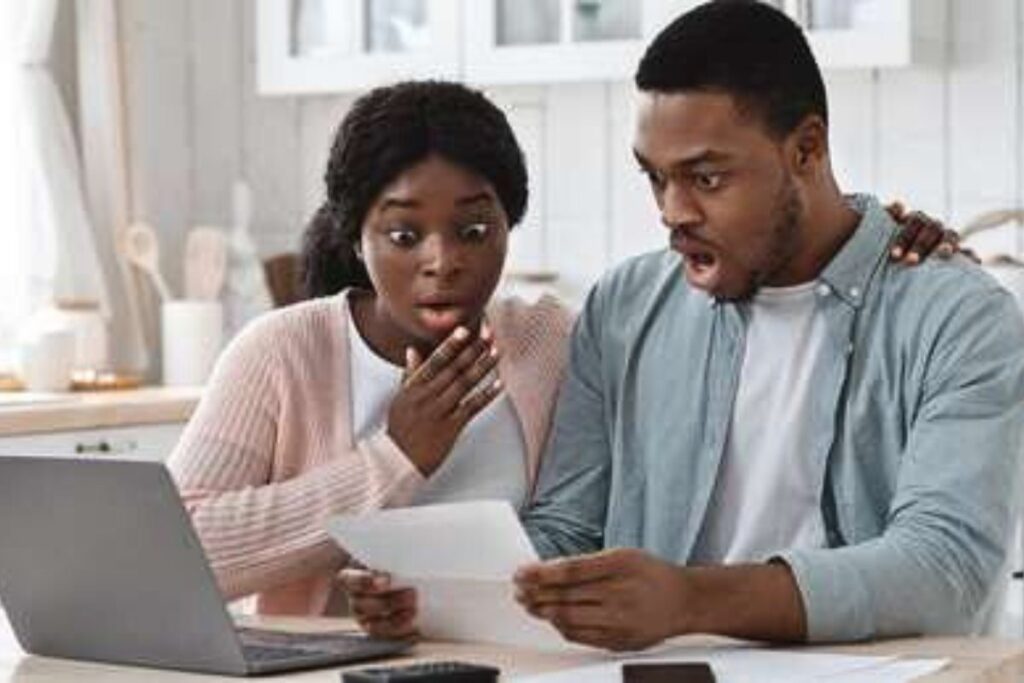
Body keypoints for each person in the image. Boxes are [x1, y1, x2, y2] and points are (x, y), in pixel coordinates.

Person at [345, 2, 1024, 649]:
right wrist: (430, 593)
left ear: (807, 149)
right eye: (655, 179)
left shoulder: (957, 318)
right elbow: (568, 529)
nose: (673, 211)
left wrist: (691, 600)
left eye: (706, 178)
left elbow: (944, 567)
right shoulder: (626, 306)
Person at [167, 81, 573, 617]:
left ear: (508, 226)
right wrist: (395, 456)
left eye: (474, 230)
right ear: (358, 238)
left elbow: (583, 534)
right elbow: (176, 553)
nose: (443, 260)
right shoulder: (282, 351)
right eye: (404, 236)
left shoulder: (549, 340)